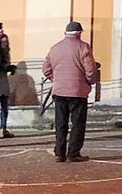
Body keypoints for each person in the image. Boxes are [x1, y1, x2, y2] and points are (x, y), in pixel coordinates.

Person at [43, 21, 100, 163]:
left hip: (60, 90)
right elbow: (90, 70)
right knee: (78, 123)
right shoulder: (83, 47)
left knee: (60, 123)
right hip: (78, 91)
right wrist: (90, 81)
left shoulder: (55, 48)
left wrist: (55, 78)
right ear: (79, 33)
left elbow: (46, 69)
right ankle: (73, 153)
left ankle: (59, 153)